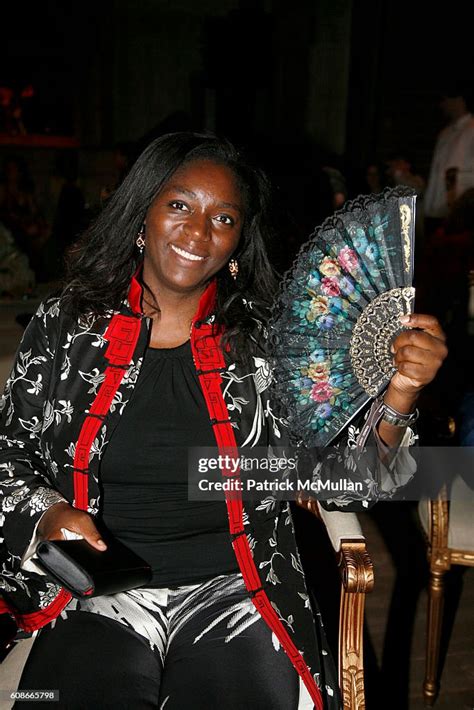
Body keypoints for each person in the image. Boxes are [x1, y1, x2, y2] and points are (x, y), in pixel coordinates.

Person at [0, 133, 447, 709]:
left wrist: (401, 394)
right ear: (142, 217)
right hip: (94, 596)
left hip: (237, 593)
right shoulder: (66, 328)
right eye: (179, 205)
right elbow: (9, 453)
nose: (197, 231)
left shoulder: (267, 348)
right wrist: (48, 513)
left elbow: (351, 481)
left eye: (224, 217)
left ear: (237, 244)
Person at [424, 84, 474, 234]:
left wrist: (457, 180)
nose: (442, 105)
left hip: (460, 214)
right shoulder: (445, 133)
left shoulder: (472, 129)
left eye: (445, 100)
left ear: (459, 100)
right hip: (435, 212)